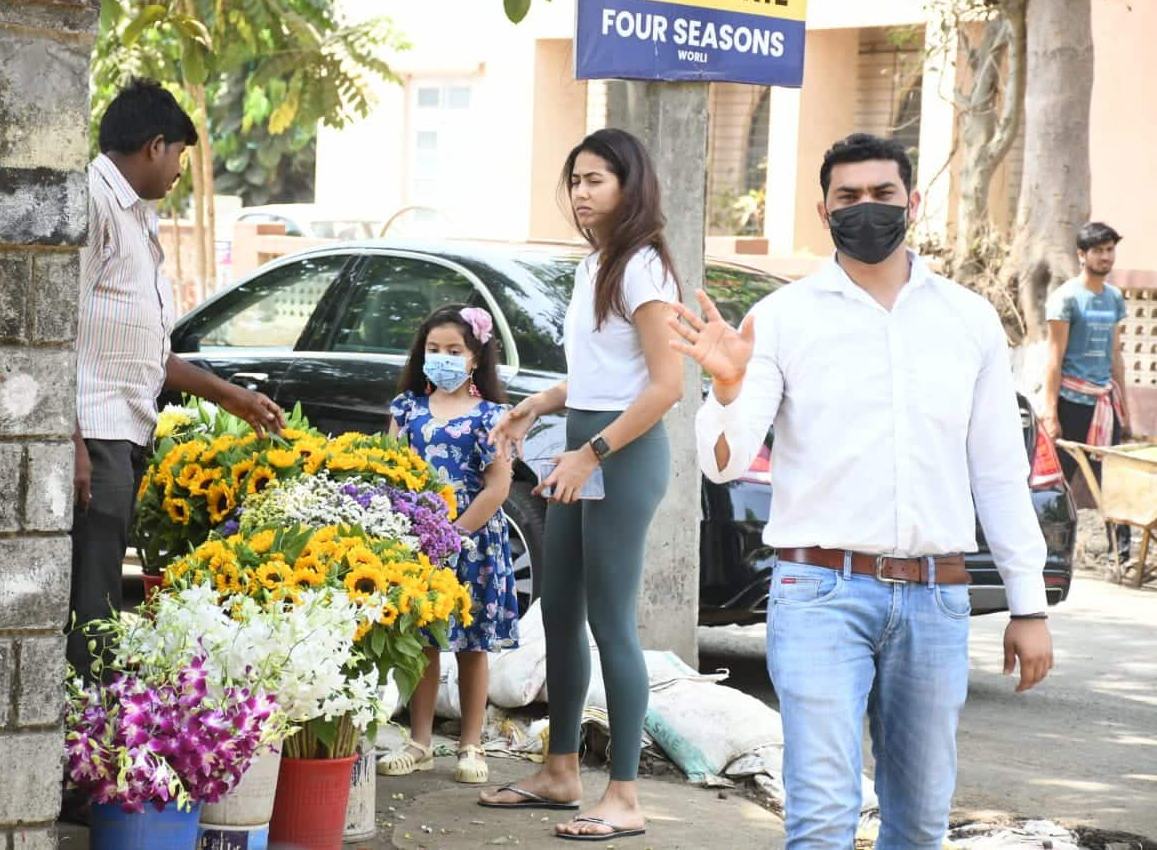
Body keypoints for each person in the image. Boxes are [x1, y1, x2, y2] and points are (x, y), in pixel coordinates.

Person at [669, 133, 1054, 849]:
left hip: (936, 600)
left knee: (919, 820)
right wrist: (725, 387)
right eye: (848, 197)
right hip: (818, 590)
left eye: (882, 194)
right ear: (823, 210)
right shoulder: (783, 318)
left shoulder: (967, 318)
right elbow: (725, 462)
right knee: (820, 812)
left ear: (911, 201)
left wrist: (1027, 605)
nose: (866, 209)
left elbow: (998, 471)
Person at [478, 128, 684, 842]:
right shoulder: (598, 264)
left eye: (596, 178)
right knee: (558, 610)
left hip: (620, 459)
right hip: (582, 449)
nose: (581, 192)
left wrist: (590, 453)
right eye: (574, 180)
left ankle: (623, 794)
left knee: (611, 623)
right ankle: (559, 770)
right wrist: (540, 403)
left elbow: (665, 388)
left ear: (631, 185)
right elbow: (602, 375)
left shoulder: (644, 268)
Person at [69, 78, 286, 676]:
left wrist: (231, 396)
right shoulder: (93, 202)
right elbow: (51, 331)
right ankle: (87, 737)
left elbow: (145, 351)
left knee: (105, 595)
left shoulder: (137, 216)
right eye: (179, 158)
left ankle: (97, 727)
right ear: (154, 145)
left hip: (125, 428)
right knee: (91, 605)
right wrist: (71, 440)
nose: (178, 173)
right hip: (97, 432)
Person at [377, 304, 518, 785]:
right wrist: (412, 532)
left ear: (475, 357)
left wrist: (456, 533)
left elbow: (498, 486)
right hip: (417, 544)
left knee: (472, 645)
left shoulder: (495, 417)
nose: (442, 358)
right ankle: (419, 742)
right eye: (434, 350)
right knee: (422, 641)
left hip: (473, 543)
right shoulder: (407, 409)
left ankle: (471, 745)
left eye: (453, 350)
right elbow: (390, 471)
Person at [1043, 221, 1131, 558]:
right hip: (1071, 402)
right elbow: (1054, 358)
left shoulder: (1114, 298)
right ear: (1082, 255)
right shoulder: (1066, 299)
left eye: (1110, 250)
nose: (1106, 256)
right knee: (1058, 481)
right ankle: (1048, 550)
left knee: (1113, 479)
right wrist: (1051, 412)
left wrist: (1125, 408)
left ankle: (1119, 553)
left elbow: (1115, 355)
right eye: (1099, 250)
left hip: (1104, 405)